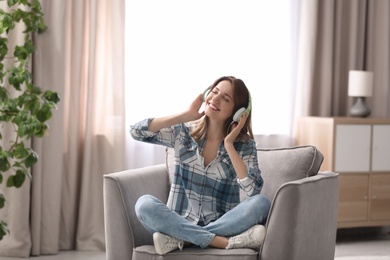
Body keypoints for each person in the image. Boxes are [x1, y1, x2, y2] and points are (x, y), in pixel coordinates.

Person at [130, 76, 271, 255]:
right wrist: (186, 115)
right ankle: (222, 242)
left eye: (226, 99)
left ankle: (183, 241)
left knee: (262, 203)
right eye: (214, 92)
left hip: (220, 224)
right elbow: (136, 132)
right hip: (177, 221)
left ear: (237, 113)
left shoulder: (244, 146)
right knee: (144, 205)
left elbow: (253, 191)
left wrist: (229, 145)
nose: (216, 99)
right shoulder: (183, 132)